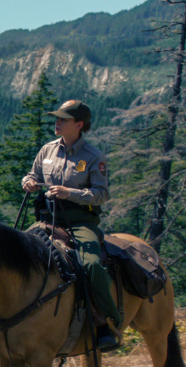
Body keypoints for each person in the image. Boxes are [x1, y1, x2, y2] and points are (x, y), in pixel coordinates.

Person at [22, 99, 121, 350]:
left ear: (79, 125)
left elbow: (101, 194)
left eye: (63, 119)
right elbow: (32, 174)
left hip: (79, 222)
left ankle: (106, 322)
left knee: (91, 265)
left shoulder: (93, 156)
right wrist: (29, 182)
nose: (57, 122)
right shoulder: (47, 150)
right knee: (16, 254)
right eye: (57, 118)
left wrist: (70, 193)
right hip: (47, 220)